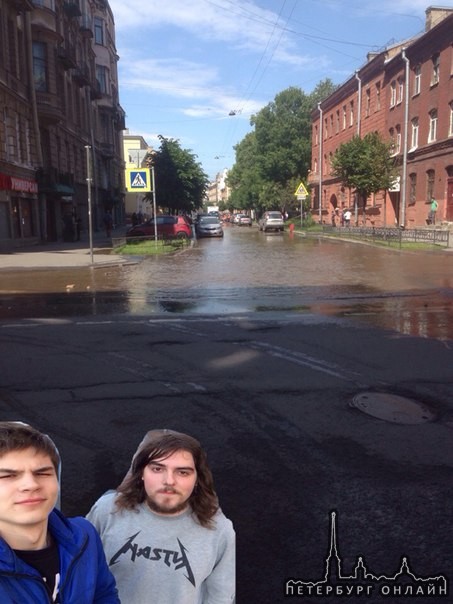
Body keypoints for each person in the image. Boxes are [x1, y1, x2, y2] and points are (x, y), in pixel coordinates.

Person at [87, 429, 236, 604]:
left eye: (183, 472)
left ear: (197, 478)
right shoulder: (107, 511)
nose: (169, 481)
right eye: (158, 469)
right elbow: (77, 575)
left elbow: (221, 597)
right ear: (141, 473)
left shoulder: (219, 529)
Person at [0, 421, 119, 603]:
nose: (31, 485)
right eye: (7, 476)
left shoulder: (84, 535)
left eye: (42, 473)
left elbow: (104, 595)